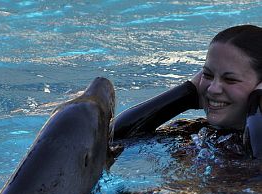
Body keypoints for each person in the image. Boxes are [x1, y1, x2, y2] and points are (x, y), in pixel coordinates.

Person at [112, 25, 262, 158]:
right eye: (207, 75)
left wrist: (258, 104)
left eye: (230, 80)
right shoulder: (193, 131)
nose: (213, 88)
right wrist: (186, 94)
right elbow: (116, 139)